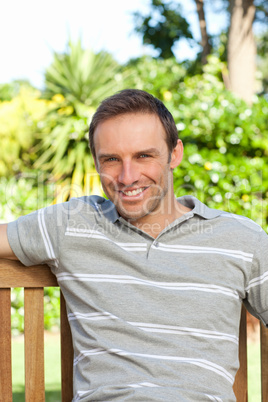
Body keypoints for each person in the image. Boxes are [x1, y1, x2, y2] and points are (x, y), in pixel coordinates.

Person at [0, 89, 267, 401]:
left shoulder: (239, 238)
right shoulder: (72, 223)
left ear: (175, 154)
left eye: (144, 156)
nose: (127, 177)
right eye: (111, 159)